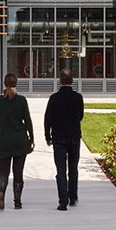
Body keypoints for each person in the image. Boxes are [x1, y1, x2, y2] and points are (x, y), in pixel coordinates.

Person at [0, 73, 35, 210]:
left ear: (4, 83)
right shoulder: (21, 100)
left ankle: (1, 192)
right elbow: (27, 121)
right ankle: (17, 202)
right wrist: (31, 138)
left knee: (3, 171)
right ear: (16, 83)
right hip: (20, 141)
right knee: (18, 172)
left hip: (3, 141)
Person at [45, 69, 85, 210]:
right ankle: (73, 196)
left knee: (60, 170)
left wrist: (47, 136)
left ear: (60, 81)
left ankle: (63, 201)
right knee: (73, 168)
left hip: (59, 137)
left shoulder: (54, 98)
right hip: (74, 136)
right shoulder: (78, 97)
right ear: (72, 81)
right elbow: (80, 115)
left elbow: (48, 118)